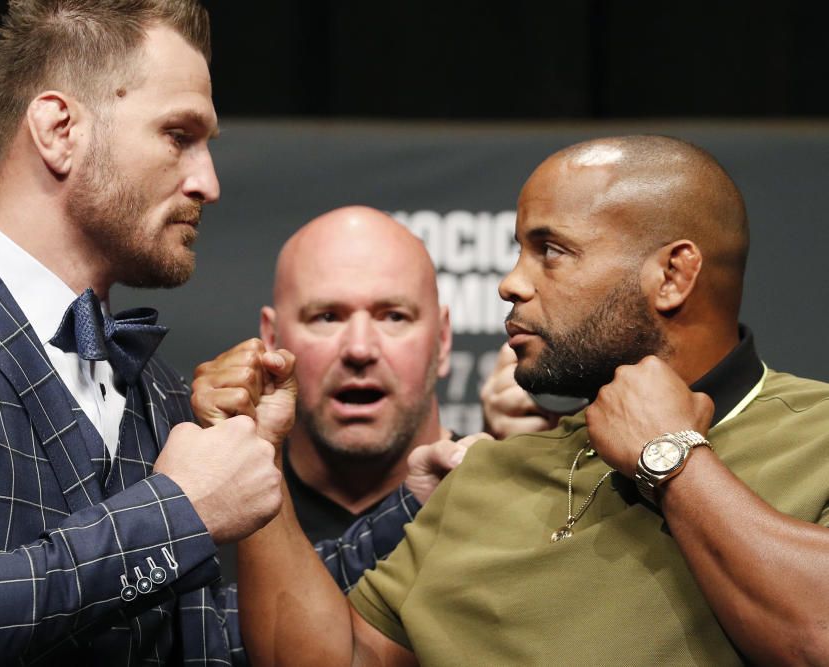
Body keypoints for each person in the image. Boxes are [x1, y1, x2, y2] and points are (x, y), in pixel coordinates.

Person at [0, 2, 424, 664]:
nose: (208, 182)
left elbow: (205, 639)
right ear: (58, 128)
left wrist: (424, 508)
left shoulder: (153, 386)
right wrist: (179, 512)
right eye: (178, 134)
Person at [232, 135, 829, 665]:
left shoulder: (817, 434)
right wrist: (257, 445)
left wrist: (670, 457)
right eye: (520, 250)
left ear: (672, 275)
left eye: (551, 250)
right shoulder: (491, 470)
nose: (510, 283)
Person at [192, 206, 484, 544]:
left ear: (443, 341)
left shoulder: (505, 508)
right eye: (327, 317)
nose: (359, 349)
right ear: (272, 340)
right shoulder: (207, 523)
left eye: (393, 316)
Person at [586, 356, 829, 664]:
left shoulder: (816, 427)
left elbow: (817, 640)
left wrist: (666, 446)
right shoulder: (514, 453)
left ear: (668, 302)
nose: (509, 303)